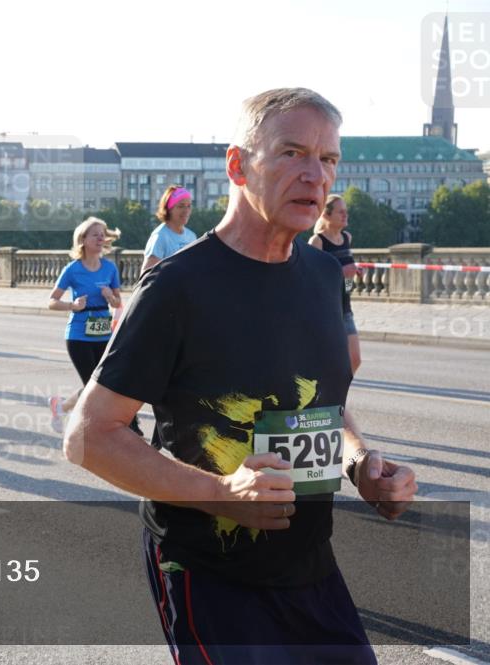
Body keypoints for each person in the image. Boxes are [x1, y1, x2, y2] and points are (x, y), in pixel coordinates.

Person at [64, 88, 417, 665]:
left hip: (310, 565)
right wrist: (221, 494)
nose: (315, 175)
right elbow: (88, 436)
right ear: (237, 165)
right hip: (208, 570)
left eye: (328, 160)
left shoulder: (326, 277)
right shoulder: (179, 286)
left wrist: (361, 464)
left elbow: (325, 401)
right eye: (291, 153)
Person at [47, 217, 140, 435]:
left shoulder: (109, 268)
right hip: (78, 335)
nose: (100, 238)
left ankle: (61, 407)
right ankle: (91, 429)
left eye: (102, 234)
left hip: (103, 334)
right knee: (93, 387)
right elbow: (52, 301)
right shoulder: (73, 269)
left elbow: (118, 303)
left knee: (103, 384)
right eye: (95, 234)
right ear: (83, 240)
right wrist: (72, 305)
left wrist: (111, 298)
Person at [310, 194, 361, 374]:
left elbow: (347, 287)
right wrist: (341, 274)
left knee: (355, 359)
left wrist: (351, 277)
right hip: (326, 310)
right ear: (326, 215)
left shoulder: (347, 237)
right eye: (341, 212)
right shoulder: (317, 242)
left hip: (345, 308)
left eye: (346, 212)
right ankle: (324, 397)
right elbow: (314, 282)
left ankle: (337, 394)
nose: (345, 216)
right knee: (327, 361)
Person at [139, 185, 197, 276]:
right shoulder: (159, 237)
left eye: (189, 206)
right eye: (181, 206)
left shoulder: (192, 236)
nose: (186, 210)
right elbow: (146, 276)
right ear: (169, 209)